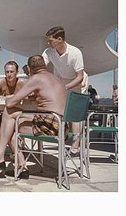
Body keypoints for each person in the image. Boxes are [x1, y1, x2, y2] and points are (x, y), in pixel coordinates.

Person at [0, 55, 67, 178]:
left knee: (9, 113)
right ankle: (22, 167)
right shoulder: (56, 78)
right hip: (63, 126)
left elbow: (10, 103)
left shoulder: (35, 78)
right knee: (10, 128)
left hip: (50, 126)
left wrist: (14, 97)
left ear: (29, 69)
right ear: (44, 66)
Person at [42, 26, 84, 157]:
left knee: (73, 116)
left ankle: (75, 148)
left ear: (59, 39)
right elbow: (39, 65)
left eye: (50, 41)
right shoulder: (49, 51)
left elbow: (80, 76)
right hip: (60, 81)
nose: (48, 43)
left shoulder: (75, 53)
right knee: (57, 112)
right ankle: (59, 139)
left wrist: (65, 87)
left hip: (76, 81)